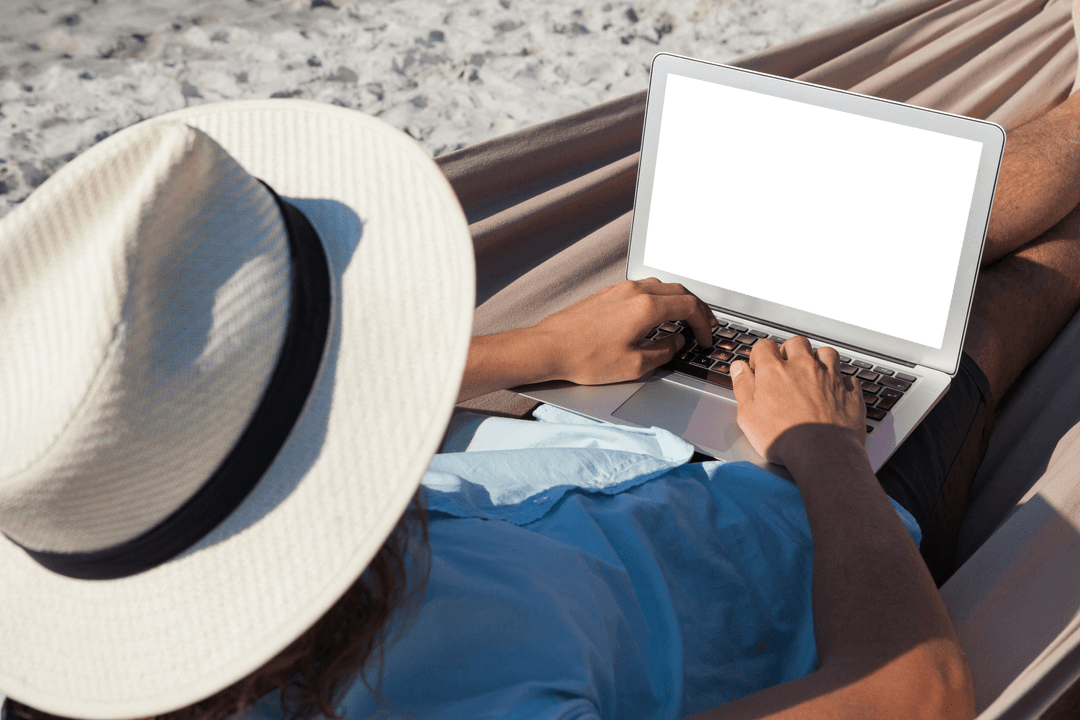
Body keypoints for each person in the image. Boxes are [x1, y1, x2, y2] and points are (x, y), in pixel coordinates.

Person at [3, 83, 1080, 720]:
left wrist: (541, 348)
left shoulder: (86, 506)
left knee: (892, 231)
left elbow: (258, 427)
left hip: (597, 443)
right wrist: (823, 448)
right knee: (1002, 290)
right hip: (819, 530)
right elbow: (914, 694)